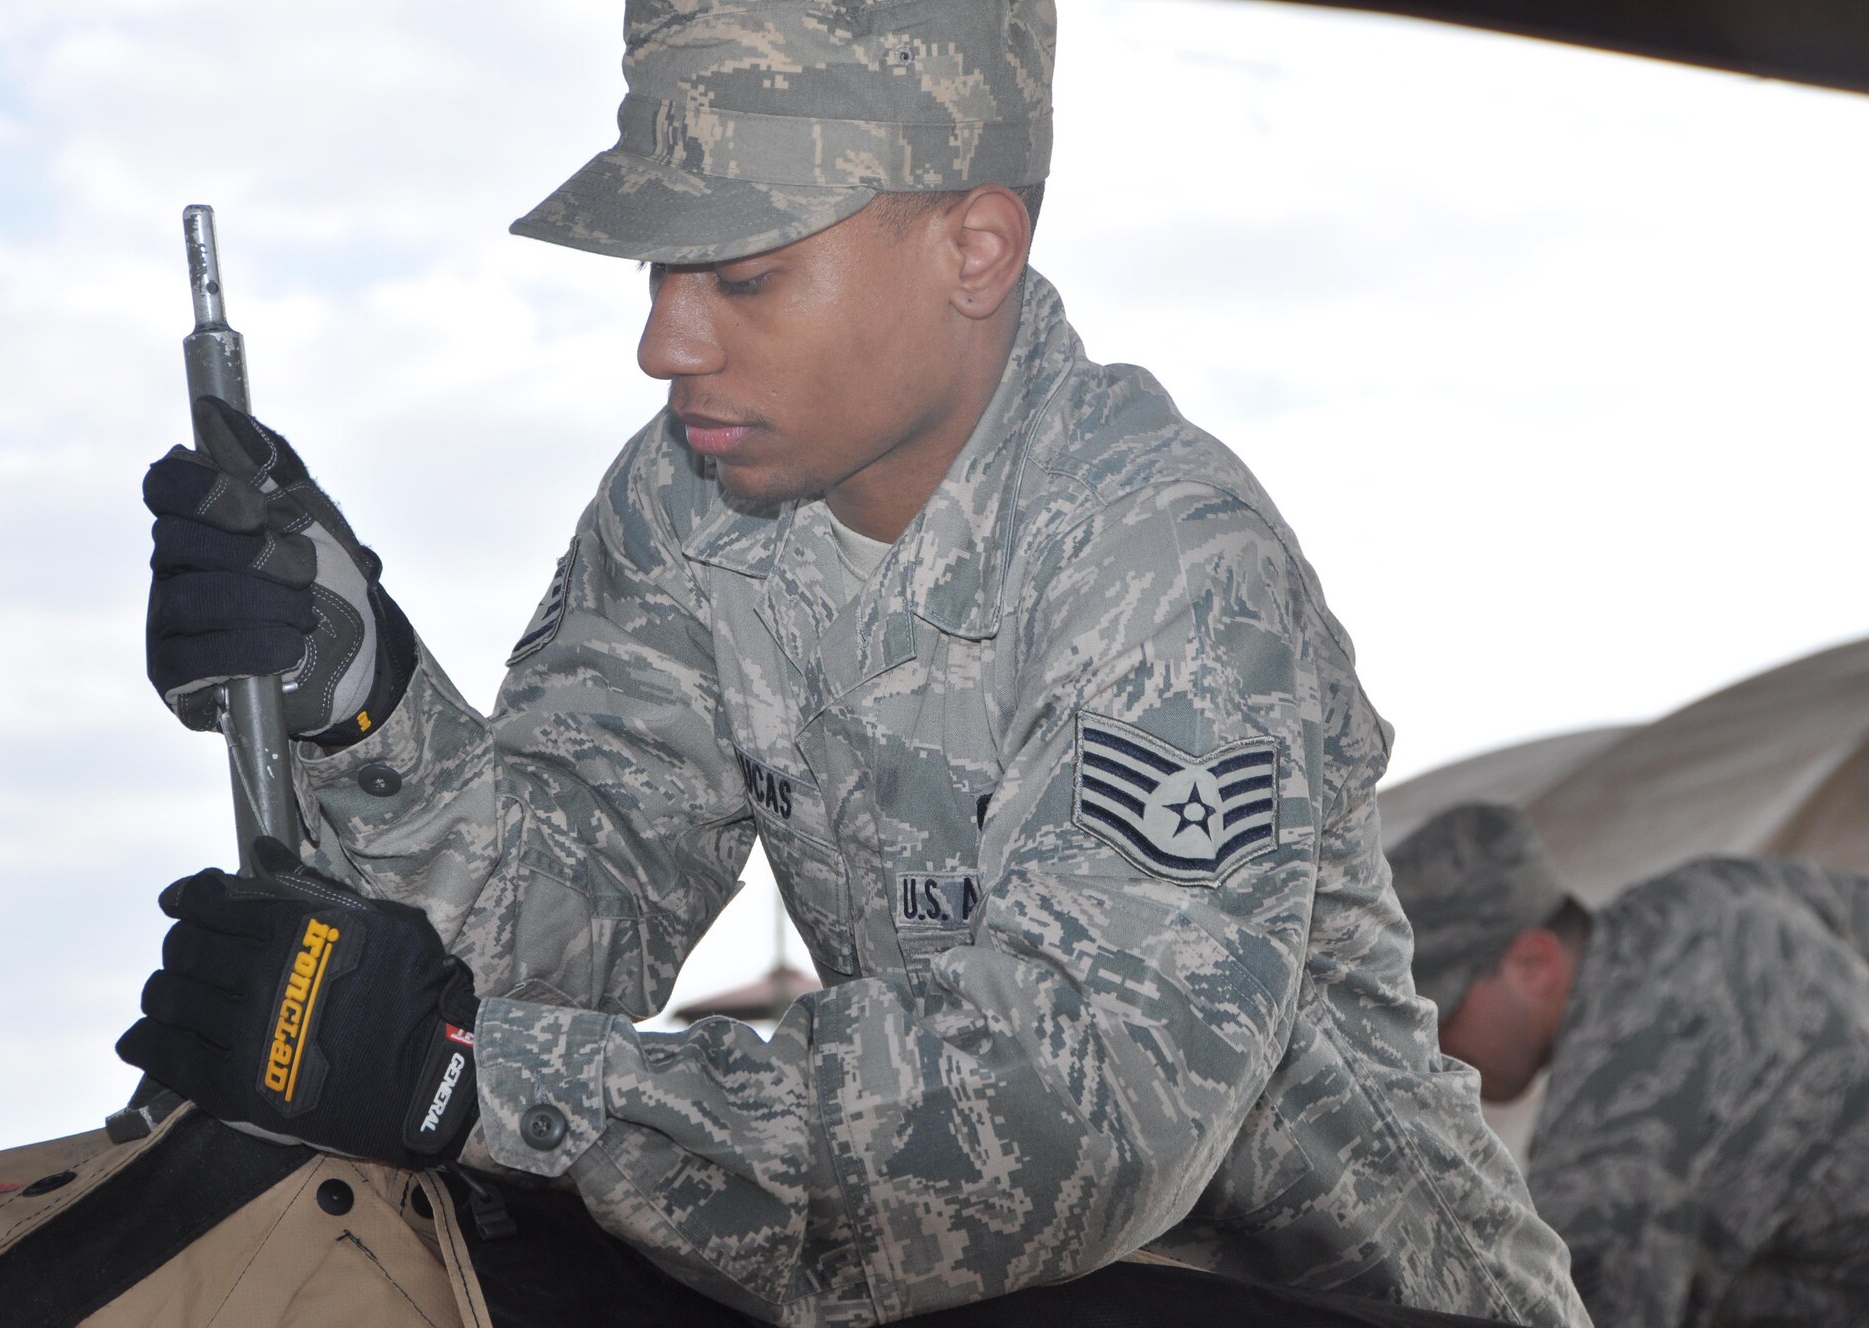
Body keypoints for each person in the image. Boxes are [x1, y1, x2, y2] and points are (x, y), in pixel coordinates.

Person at [109, 4, 1585, 1325]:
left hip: (1334, 1290)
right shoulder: (690, 504)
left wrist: (481, 1080)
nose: (663, 341)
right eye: (659, 269)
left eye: (745, 274)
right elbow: (568, 925)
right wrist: (364, 700)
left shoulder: (1166, 563)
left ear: (975, 249)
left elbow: (1086, 1120)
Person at [1388, 802, 1869, 1326]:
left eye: (1439, 1011)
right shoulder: (1718, 889)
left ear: (1534, 962)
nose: (1430, 1049)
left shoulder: (1609, 1135)